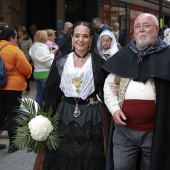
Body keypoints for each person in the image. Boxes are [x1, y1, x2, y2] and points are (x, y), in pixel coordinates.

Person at [33, 21, 111, 170]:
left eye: (85, 36)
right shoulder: (61, 61)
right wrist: (45, 117)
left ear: (91, 39)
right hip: (64, 113)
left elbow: (107, 90)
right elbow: (51, 92)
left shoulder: (99, 63)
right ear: (72, 38)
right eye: (77, 35)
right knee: (63, 151)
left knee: (89, 153)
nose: (81, 40)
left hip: (91, 114)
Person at [102, 13, 170, 170]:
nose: (141, 30)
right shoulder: (125, 54)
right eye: (138, 26)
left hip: (155, 132)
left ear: (156, 29)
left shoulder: (167, 55)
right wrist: (114, 109)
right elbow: (109, 86)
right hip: (125, 131)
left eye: (146, 26)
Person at [0, 27, 32, 153]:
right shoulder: (14, 50)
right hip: (13, 87)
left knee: (0, 114)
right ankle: (13, 144)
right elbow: (27, 69)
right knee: (13, 115)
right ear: (11, 38)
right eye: (15, 37)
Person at [29, 30, 57, 105]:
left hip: (36, 73)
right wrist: (52, 54)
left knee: (39, 95)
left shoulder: (33, 47)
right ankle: (45, 113)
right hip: (45, 74)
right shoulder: (43, 48)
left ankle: (36, 111)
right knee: (46, 96)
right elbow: (49, 64)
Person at [17, 26, 33, 95]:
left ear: (23, 32)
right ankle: (19, 88)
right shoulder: (16, 39)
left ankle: (27, 89)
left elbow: (31, 49)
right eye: (18, 31)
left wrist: (32, 59)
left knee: (26, 75)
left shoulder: (28, 39)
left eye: (20, 31)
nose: (18, 33)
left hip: (26, 58)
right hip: (17, 58)